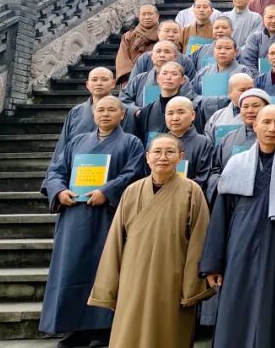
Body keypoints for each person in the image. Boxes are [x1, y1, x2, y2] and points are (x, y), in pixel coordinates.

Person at [200, 105, 275, 348]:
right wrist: (213, 262)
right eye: (266, 122)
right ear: (255, 125)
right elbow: (221, 216)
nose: (272, 128)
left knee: (274, 314)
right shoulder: (236, 164)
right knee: (235, 313)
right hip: (239, 250)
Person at [87, 133, 213, 348]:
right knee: (129, 334)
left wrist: (191, 287)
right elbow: (116, 241)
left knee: (168, 334)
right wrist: (110, 288)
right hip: (132, 277)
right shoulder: (132, 191)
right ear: (147, 157)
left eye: (170, 152)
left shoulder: (192, 191)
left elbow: (199, 240)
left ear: (180, 156)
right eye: (157, 152)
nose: (163, 157)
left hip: (172, 277)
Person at [39, 96, 144, 348]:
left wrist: (106, 192)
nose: (105, 114)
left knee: (104, 268)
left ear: (122, 115)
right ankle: (74, 327)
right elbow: (56, 170)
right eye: (100, 110)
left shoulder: (132, 143)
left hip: (108, 215)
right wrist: (59, 191)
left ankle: (103, 328)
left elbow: (133, 173)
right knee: (71, 269)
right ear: (94, 114)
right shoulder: (77, 141)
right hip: (74, 214)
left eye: (111, 110)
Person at [54, 68, 132, 161]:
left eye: (104, 79)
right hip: (79, 165)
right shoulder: (76, 112)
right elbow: (63, 145)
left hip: (114, 163)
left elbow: (130, 145)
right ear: (87, 84)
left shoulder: (125, 111)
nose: (99, 83)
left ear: (113, 83)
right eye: (94, 80)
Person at [156, 96, 218, 198]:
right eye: (170, 113)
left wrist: (178, 192)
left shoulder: (203, 143)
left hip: (189, 198)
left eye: (181, 112)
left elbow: (203, 178)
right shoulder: (158, 142)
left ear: (193, 115)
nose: (175, 118)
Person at [191, 37, 254, 124]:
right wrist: (203, 101)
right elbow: (193, 93)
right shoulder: (203, 71)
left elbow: (246, 94)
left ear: (235, 52)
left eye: (227, 48)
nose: (222, 51)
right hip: (203, 115)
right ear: (213, 51)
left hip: (232, 116)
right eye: (218, 48)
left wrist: (210, 101)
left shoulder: (243, 71)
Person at [121, 51, 194, 116]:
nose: (162, 55)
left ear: (175, 57)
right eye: (164, 73)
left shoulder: (184, 80)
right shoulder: (140, 79)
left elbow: (189, 101)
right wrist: (135, 110)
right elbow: (124, 99)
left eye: (167, 52)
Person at [133, 61, 192, 139]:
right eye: (164, 73)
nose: (168, 77)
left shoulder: (191, 108)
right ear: (158, 78)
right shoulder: (146, 111)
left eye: (174, 74)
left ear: (182, 80)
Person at [130, 21, 195, 78]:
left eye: (175, 32)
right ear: (158, 33)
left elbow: (190, 84)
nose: (171, 35)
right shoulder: (145, 58)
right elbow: (133, 83)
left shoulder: (186, 61)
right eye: (167, 31)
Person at [204, 72, 254, 143]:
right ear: (229, 93)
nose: (247, 93)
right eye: (242, 90)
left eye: (250, 89)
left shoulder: (260, 115)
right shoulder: (217, 116)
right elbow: (209, 143)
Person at [115, 4, 159, 82]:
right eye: (143, 14)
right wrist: (133, 76)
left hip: (158, 78)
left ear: (157, 16)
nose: (147, 17)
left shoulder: (164, 34)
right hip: (133, 78)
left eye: (150, 14)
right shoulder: (128, 36)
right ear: (138, 16)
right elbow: (123, 58)